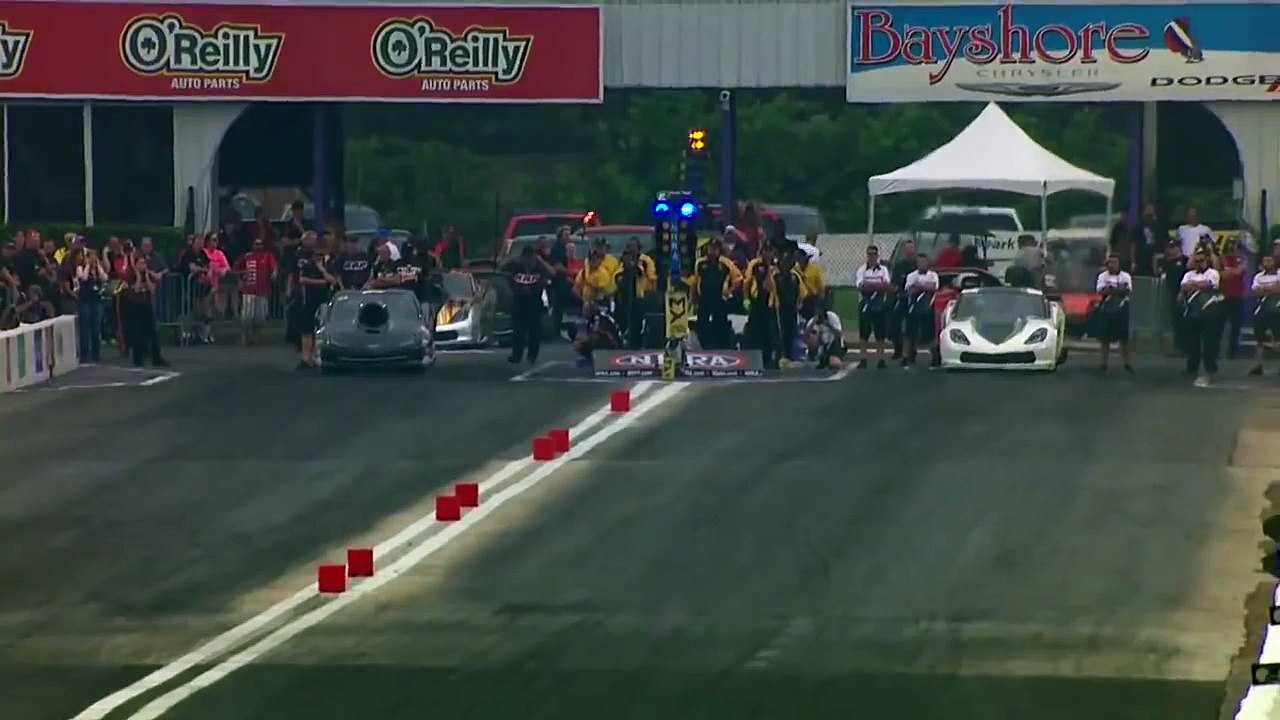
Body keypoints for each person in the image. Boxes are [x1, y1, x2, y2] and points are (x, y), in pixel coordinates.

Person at [504, 245, 554, 364]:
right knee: (518, 328)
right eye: (526, 256)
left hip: (534, 298)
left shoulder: (539, 265)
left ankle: (532, 355)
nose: (528, 259)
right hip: (519, 299)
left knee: (534, 329)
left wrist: (540, 261)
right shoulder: (516, 264)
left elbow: (552, 272)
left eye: (530, 256)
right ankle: (517, 355)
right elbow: (502, 268)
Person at [1179, 251, 1223, 382]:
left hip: (1209, 311)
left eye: (1202, 260)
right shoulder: (1188, 274)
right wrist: (1197, 285)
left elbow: (1209, 285)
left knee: (1209, 341)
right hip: (1192, 311)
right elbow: (1183, 287)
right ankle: (1192, 367)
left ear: (1207, 260)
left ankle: (1210, 366)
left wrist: (1193, 285)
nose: (1199, 263)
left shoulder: (1213, 273)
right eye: (1196, 261)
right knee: (1193, 342)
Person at [691, 240, 741, 350]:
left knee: (719, 324)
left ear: (719, 249)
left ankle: (720, 347)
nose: (713, 250)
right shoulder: (700, 263)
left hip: (719, 298)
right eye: (711, 248)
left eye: (715, 248)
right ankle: (705, 346)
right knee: (702, 323)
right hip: (704, 297)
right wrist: (693, 298)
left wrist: (729, 290)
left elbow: (738, 278)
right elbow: (695, 281)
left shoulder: (725, 263)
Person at [121, 254, 167, 367]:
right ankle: (138, 358)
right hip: (135, 306)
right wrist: (138, 276)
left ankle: (157, 358)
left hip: (146, 305)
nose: (143, 266)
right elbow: (136, 289)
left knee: (153, 333)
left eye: (144, 263)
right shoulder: (130, 275)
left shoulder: (148, 275)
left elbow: (152, 290)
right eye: (140, 263)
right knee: (138, 334)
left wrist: (146, 275)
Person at [232, 237, 279, 346]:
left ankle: (257, 338)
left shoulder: (268, 256)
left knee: (260, 317)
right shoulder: (246, 256)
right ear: (252, 245)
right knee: (246, 316)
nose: (258, 246)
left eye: (260, 244)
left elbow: (275, 266)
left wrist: (274, 273)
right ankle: (244, 337)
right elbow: (235, 269)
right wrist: (240, 278)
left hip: (262, 291)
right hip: (248, 291)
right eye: (256, 244)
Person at [854, 244, 893, 369]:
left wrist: (870, 285)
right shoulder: (861, 270)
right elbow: (861, 286)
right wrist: (877, 285)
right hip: (865, 304)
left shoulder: (883, 270)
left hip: (879, 304)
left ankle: (881, 358)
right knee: (864, 333)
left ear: (877, 256)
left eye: (874, 254)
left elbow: (886, 285)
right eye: (869, 254)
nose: (871, 257)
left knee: (880, 333)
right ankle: (863, 358)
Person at [1095, 253, 1134, 372]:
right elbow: (1100, 291)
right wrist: (1116, 290)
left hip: (1121, 308)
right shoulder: (1102, 276)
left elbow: (1127, 291)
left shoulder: (1125, 276)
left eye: (1115, 262)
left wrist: (1113, 289)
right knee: (1105, 338)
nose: (1112, 265)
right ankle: (1103, 363)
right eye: (1110, 262)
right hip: (1106, 307)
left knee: (1124, 338)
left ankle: (1127, 363)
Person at [744, 243, 781, 369]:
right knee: (755, 331)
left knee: (770, 332)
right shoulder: (755, 264)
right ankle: (753, 358)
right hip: (757, 302)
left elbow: (773, 287)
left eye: (770, 251)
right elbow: (747, 282)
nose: (768, 254)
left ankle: (769, 358)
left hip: (769, 304)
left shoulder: (775, 267)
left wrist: (771, 271)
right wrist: (746, 299)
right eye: (766, 251)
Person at [613, 240, 655, 350]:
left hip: (639, 296)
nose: (631, 249)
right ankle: (623, 342)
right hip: (625, 296)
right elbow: (618, 275)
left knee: (637, 322)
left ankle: (636, 344)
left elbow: (650, 276)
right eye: (629, 246)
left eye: (633, 246)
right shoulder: (624, 259)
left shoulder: (646, 260)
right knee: (623, 320)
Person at [902, 253, 940, 368]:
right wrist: (924, 287)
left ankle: (935, 357)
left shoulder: (933, 275)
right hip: (914, 308)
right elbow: (910, 290)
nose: (922, 264)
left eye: (924, 262)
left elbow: (934, 287)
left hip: (928, 308)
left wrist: (919, 286)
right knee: (909, 334)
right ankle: (907, 356)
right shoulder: (911, 275)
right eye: (920, 262)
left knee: (930, 334)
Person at [74, 249, 108, 362]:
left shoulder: (98, 269)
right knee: (85, 328)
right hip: (85, 300)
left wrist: (97, 266)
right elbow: (83, 278)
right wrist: (88, 265)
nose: (93, 259)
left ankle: (96, 354)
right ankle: (85, 354)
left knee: (96, 328)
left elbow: (104, 278)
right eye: (90, 257)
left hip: (96, 301)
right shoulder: (81, 268)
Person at [773, 249, 807, 363]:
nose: (785, 265)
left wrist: (800, 303)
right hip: (779, 308)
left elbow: (802, 292)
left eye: (788, 262)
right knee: (780, 332)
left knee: (790, 331)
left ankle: (789, 354)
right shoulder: (775, 276)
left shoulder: (795, 277)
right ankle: (779, 355)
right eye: (784, 262)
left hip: (791, 308)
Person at [1156, 241, 1190, 355]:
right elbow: (1158, 270)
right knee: (1176, 322)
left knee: (1184, 322)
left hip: (1185, 294)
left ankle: (1186, 347)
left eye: (1173, 247)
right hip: (1172, 294)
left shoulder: (1186, 260)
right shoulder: (1167, 262)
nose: (1171, 250)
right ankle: (1178, 347)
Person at [1249, 254, 1280, 376]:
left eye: (1269, 260)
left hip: (1277, 309)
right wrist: (1272, 288)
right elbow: (1255, 291)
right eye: (1265, 261)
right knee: (1259, 338)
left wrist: (1265, 289)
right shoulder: (1258, 276)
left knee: (1278, 339)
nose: (1267, 263)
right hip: (1261, 309)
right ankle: (1257, 366)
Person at [1218, 235, 1248, 358]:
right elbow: (1221, 274)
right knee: (1219, 325)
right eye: (1230, 244)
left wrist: (1227, 269)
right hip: (1222, 296)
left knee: (1236, 325)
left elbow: (1239, 271)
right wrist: (1229, 269)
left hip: (1237, 296)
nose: (1232, 247)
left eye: (1234, 244)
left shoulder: (1242, 258)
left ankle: (1232, 352)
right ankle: (1215, 351)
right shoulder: (1221, 258)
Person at [888, 240, 917, 360]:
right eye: (907, 249)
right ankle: (897, 349)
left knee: (912, 325)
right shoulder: (900, 266)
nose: (909, 252)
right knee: (894, 322)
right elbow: (893, 283)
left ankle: (912, 350)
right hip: (900, 297)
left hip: (914, 298)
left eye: (911, 249)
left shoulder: (917, 266)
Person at [572, 301, 619, 368]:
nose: (583, 312)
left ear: (591, 310)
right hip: (603, 340)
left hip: (610, 343)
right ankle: (591, 359)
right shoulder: (590, 320)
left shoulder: (599, 319)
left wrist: (582, 341)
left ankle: (600, 360)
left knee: (582, 344)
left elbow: (597, 335)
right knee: (580, 342)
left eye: (585, 310)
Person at [803, 301, 846, 370]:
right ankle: (817, 356)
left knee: (834, 364)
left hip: (834, 344)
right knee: (812, 337)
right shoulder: (814, 319)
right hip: (823, 345)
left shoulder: (832, 317)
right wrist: (812, 324)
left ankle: (835, 359)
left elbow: (839, 334)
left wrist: (828, 325)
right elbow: (805, 335)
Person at [796, 244, 826, 319]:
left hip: (811, 299)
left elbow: (821, 287)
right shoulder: (795, 269)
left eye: (801, 256)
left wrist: (819, 303)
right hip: (798, 299)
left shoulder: (815, 270)